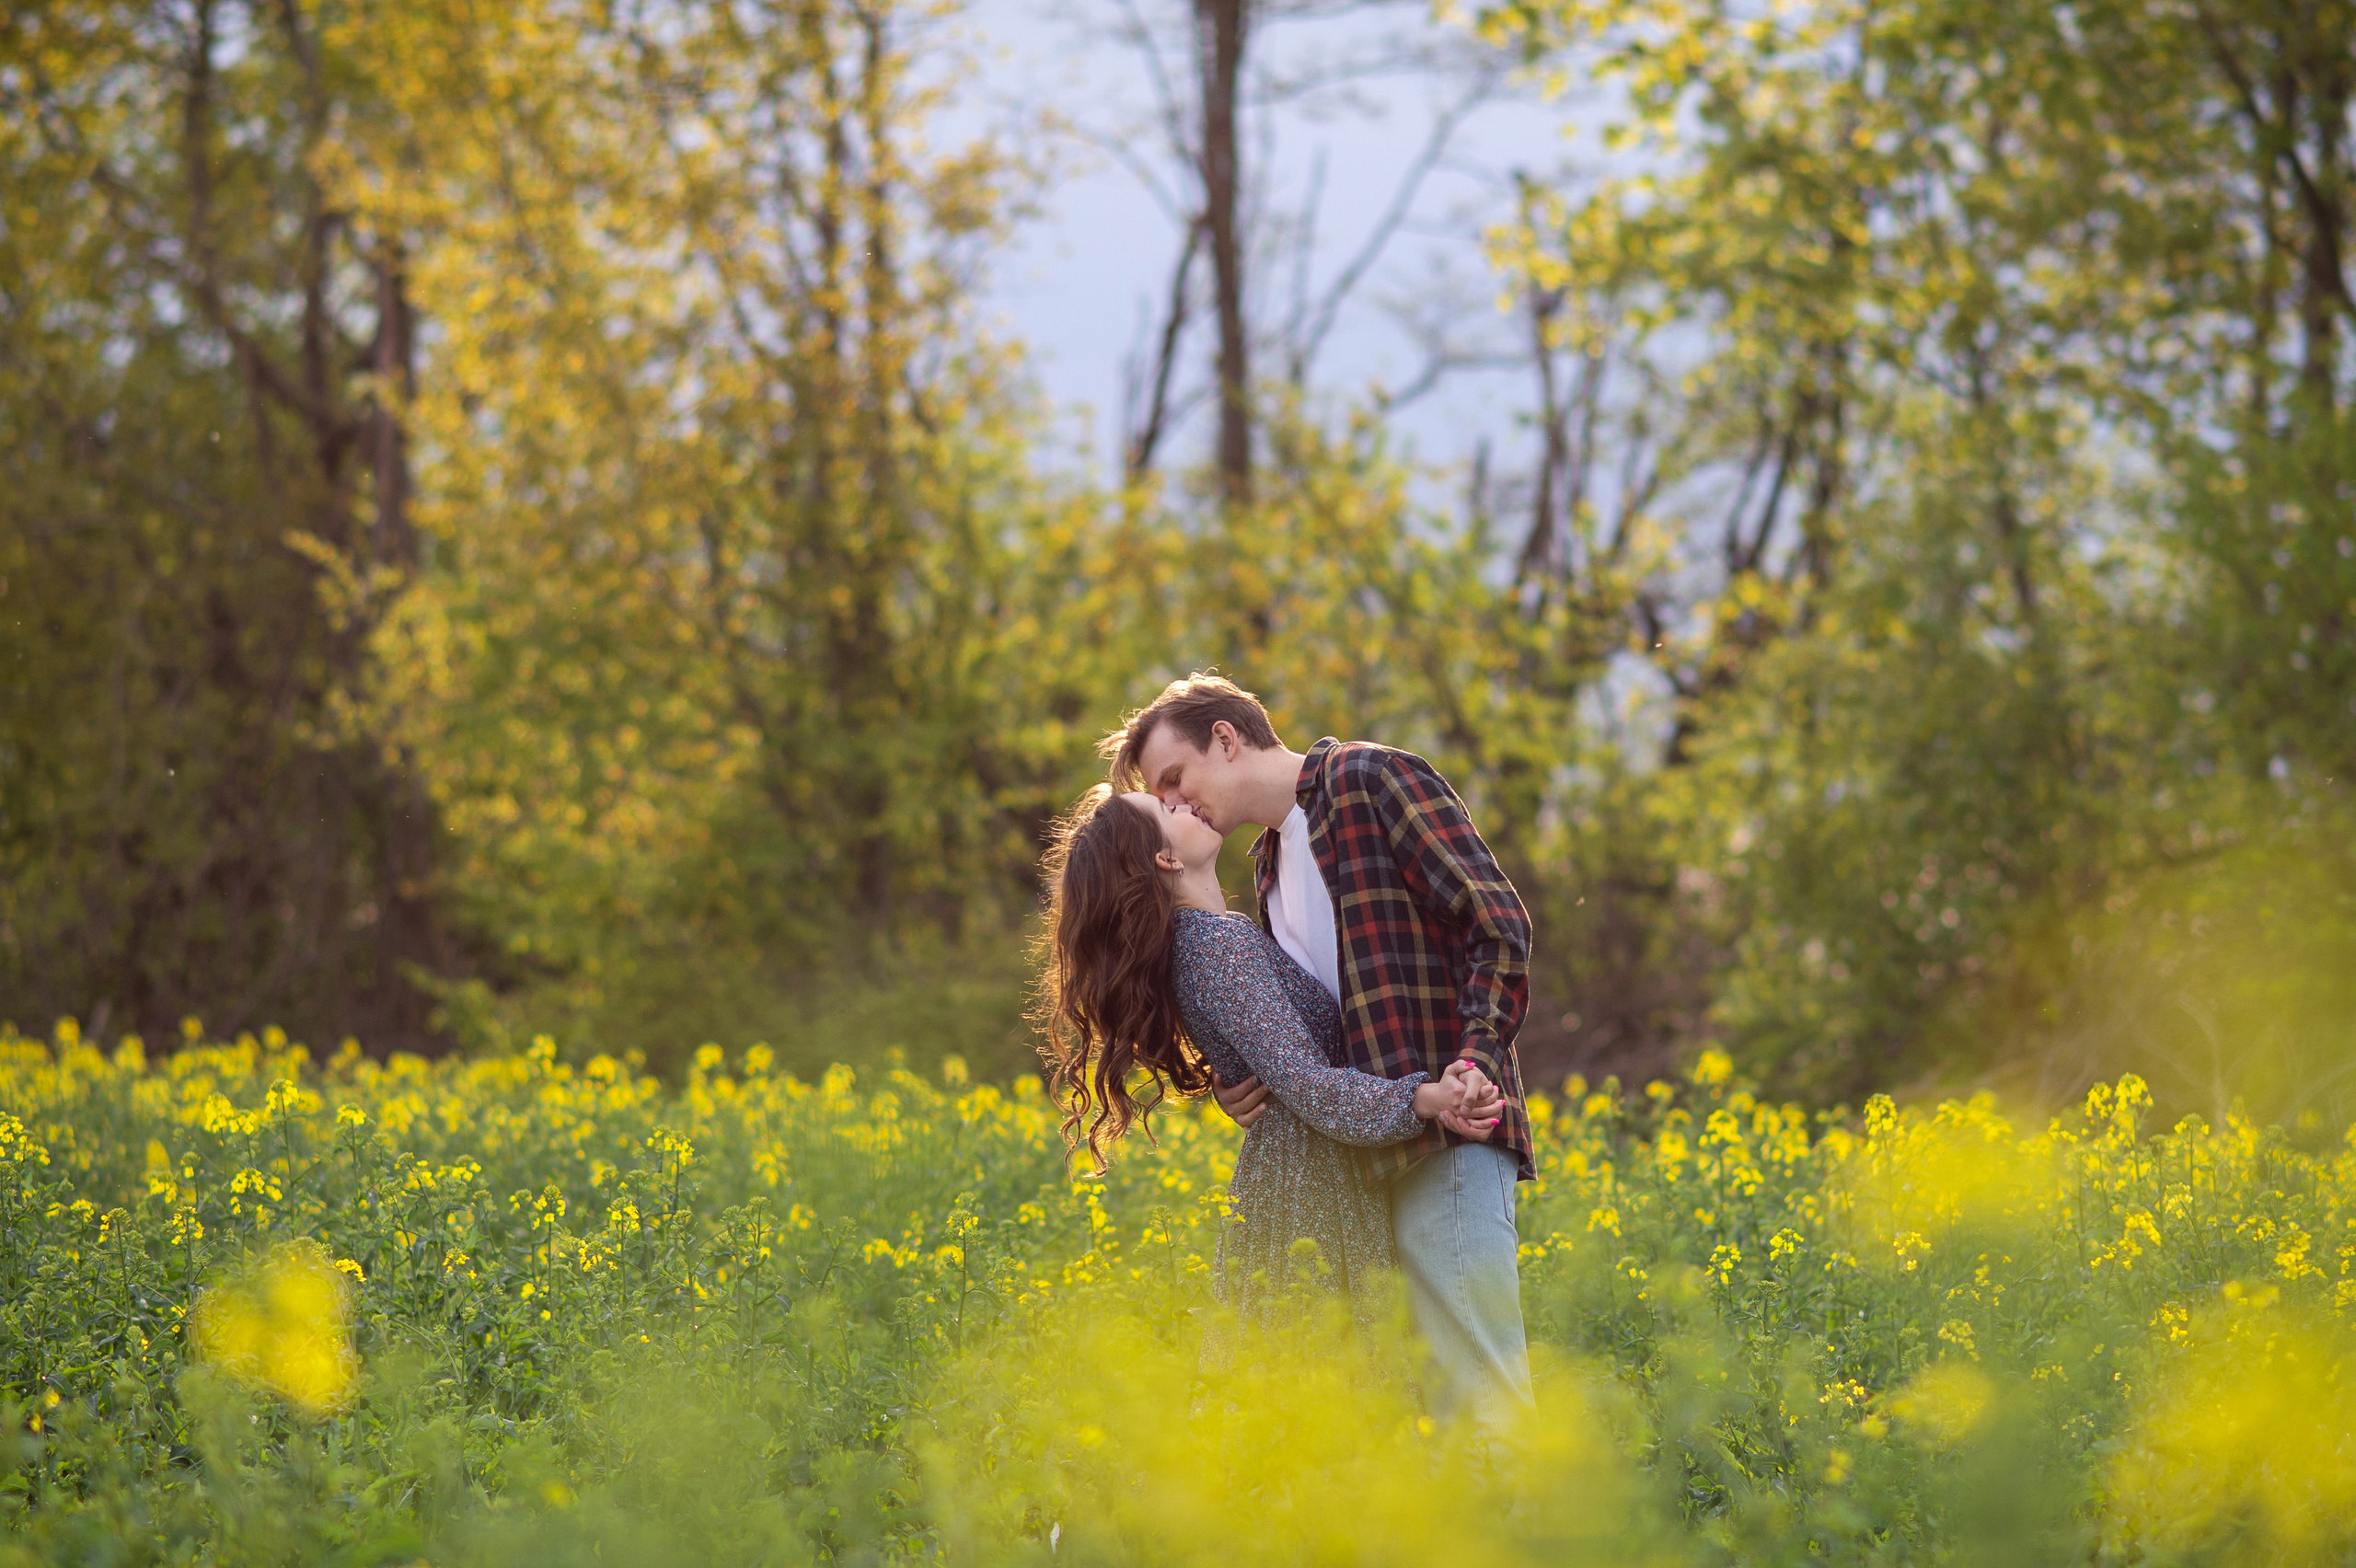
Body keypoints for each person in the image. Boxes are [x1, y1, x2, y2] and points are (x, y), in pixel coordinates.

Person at [1103, 673, 1537, 1428]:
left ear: (1226, 739)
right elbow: (1301, 1023)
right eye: (1161, 797)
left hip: (1446, 1130)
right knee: (1419, 1413)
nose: (1175, 803)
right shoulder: (1267, 866)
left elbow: (1496, 924)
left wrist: (1473, 1061)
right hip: (1360, 1162)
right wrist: (1240, 1081)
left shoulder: (1370, 779)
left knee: (1479, 1392)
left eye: (1174, 779)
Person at [1035, 784, 1501, 1336]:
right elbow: (1307, 1084)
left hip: (1305, 1178)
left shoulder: (1212, 939)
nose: (1183, 801)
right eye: (1166, 807)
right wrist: (1425, 1098)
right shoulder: (1214, 946)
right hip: (1308, 1191)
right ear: (1165, 857)